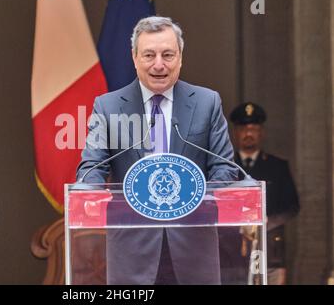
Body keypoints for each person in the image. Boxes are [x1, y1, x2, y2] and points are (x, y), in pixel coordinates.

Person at [76, 16, 237, 284]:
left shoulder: (208, 102)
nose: (159, 64)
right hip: (131, 253)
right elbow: (91, 167)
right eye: (149, 55)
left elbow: (225, 168)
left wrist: (195, 195)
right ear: (134, 57)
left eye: (168, 55)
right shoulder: (108, 106)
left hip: (194, 249)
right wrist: (87, 195)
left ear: (181, 57)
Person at [226, 102, 300, 285]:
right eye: (243, 129)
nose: (248, 133)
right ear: (235, 133)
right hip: (233, 250)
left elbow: (292, 206)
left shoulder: (278, 166)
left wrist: (265, 222)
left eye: (253, 128)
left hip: (270, 248)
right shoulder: (225, 167)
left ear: (262, 132)